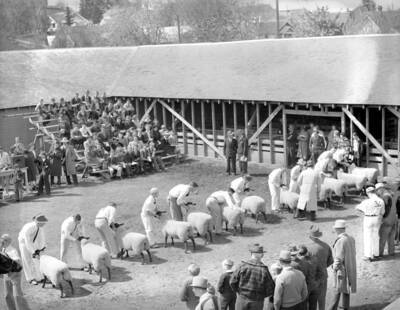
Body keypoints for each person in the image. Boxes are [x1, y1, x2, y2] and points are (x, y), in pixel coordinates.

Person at [230, 243, 275, 310]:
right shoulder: (264, 270)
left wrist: (239, 292)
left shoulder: (242, 266)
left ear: (251, 253)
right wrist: (261, 296)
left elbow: (232, 282)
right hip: (257, 302)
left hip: (242, 299)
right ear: (262, 255)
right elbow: (271, 288)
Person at [327, 220, 357, 310]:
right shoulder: (351, 238)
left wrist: (334, 267)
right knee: (346, 288)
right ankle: (345, 307)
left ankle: (332, 308)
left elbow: (338, 258)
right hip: (351, 266)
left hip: (342, 269)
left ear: (337, 229)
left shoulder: (340, 241)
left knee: (337, 289)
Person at [305, 225, 333, 310]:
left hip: (311, 277)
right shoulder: (326, 246)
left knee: (311, 300)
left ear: (310, 236)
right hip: (323, 275)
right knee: (322, 299)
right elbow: (330, 261)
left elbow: (304, 264)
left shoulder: (307, 248)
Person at [1, 234, 31, 310]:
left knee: (17, 295)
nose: (2, 241)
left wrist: (12, 261)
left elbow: (17, 260)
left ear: (8, 242)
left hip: (15, 274)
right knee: (7, 295)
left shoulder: (12, 250)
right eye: (1, 239)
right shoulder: (2, 249)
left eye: (4, 240)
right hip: (7, 275)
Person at [355, 187, 385, 261]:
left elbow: (357, 208)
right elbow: (383, 212)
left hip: (368, 218)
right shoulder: (381, 201)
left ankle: (368, 255)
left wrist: (364, 212)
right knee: (376, 236)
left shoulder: (366, 201)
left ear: (368, 193)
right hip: (377, 218)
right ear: (374, 191)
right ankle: (376, 254)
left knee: (367, 236)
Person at [18, 215, 48, 285]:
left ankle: (39, 277)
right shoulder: (29, 227)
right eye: (44, 222)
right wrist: (33, 252)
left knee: (36, 260)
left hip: (31, 242)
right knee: (27, 260)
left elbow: (41, 238)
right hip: (23, 243)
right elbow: (27, 241)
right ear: (39, 222)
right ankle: (30, 279)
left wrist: (42, 248)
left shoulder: (39, 227)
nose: (45, 224)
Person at [376, 185, 398, 257]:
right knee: (391, 238)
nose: (377, 192)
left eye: (377, 190)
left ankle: (379, 253)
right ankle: (391, 252)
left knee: (382, 238)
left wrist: (383, 218)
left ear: (381, 189)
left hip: (387, 220)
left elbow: (386, 209)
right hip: (393, 219)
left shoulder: (385, 197)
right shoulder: (393, 195)